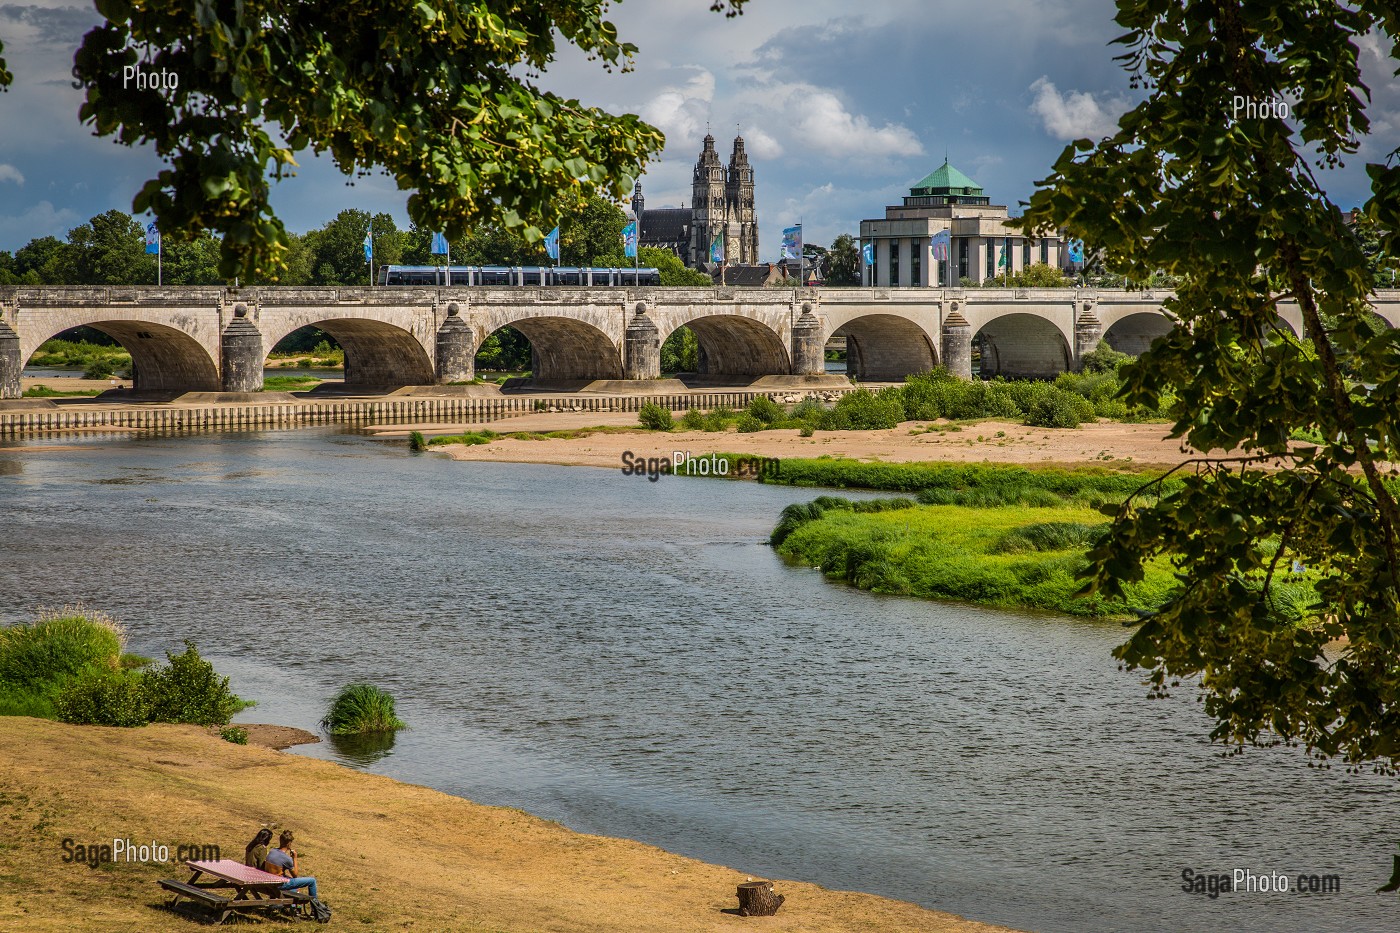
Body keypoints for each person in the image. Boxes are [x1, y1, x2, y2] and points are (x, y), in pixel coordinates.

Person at [263, 829, 319, 900]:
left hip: (270, 882)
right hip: (280, 884)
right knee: (312, 881)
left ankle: (279, 905)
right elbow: (295, 875)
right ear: (289, 843)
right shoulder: (286, 858)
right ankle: (316, 907)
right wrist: (294, 858)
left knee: (294, 887)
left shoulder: (272, 851)